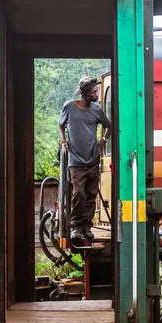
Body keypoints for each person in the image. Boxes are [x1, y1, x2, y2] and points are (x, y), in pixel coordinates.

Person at [59, 76, 112, 241]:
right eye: (94, 92)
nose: (97, 94)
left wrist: (103, 141)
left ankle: (87, 227)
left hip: (93, 159)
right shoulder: (69, 107)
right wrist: (63, 139)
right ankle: (76, 227)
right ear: (85, 94)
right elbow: (61, 124)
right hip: (75, 161)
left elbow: (109, 125)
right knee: (79, 194)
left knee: (91, 194)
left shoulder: (96, 110)